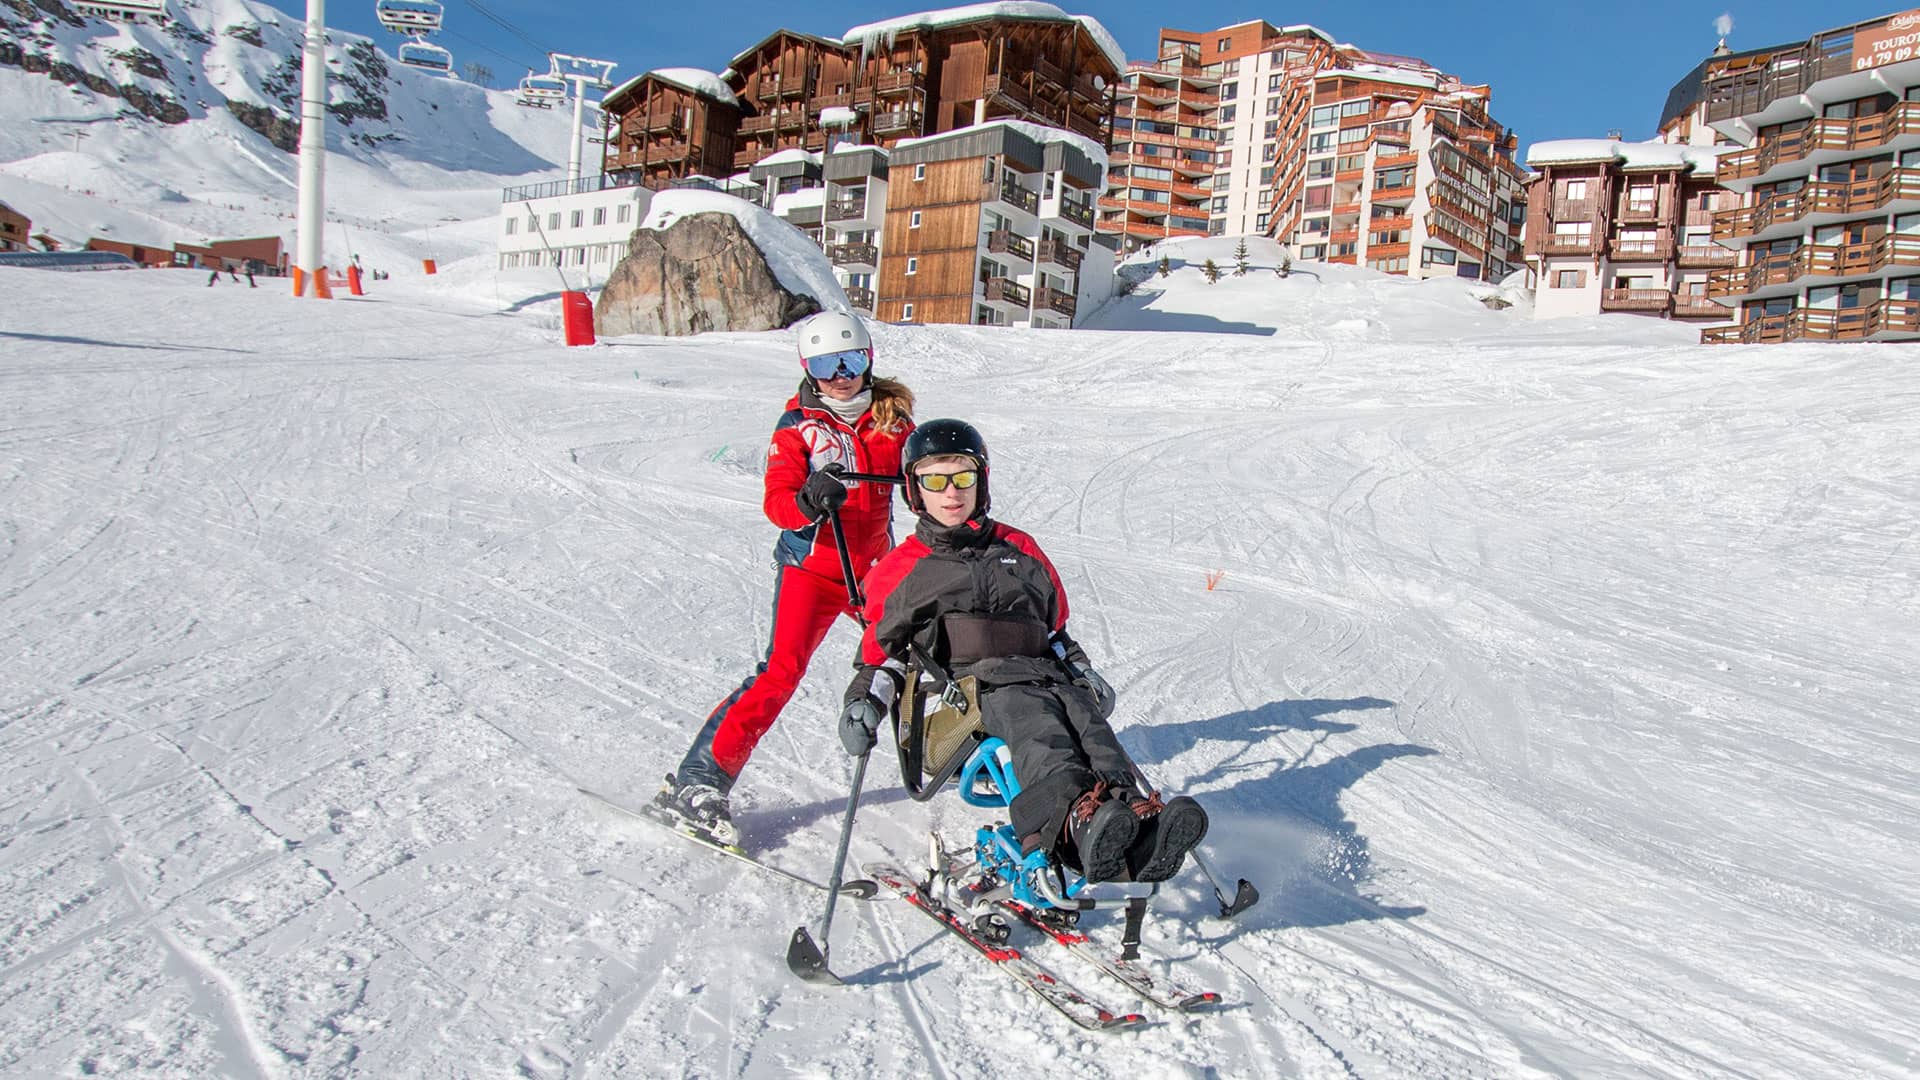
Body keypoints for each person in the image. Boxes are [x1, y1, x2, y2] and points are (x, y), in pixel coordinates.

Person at [837, 420, 1209, 883]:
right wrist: (864, 701)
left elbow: (1054, 632)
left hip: (1042, 674)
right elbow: (883, 654)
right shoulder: (905, 567)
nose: (951, 492)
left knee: (1086, 720)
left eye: (963, 477)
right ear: (915, 490)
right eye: (935, 480)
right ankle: (1072, 824)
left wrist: (1082, 672)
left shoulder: (1019, 547)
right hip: (968, 694)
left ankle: (1132, 819)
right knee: (1036, 721)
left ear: (982, 480)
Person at [656, 311, 915, 846]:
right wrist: (806, 499)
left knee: (918, 654)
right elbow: (777, 503)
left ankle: (947, 755)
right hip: (813, 570)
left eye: (851, 360)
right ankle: (700, 781)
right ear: (808, 369)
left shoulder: (892, 421)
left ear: (868, 361)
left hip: (872, 570)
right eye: (826, 364)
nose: (840, 374)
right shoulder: (798, 426)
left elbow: (921, 482)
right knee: (781, 671)